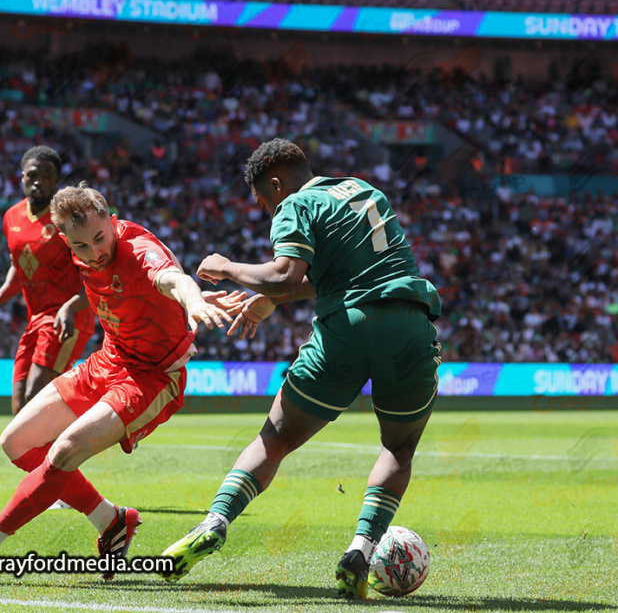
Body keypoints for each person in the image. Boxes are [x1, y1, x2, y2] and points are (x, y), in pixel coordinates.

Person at [160, 138, 442, 599]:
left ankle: (216, 521)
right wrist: (269, 301)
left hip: (345, 331)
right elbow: (333, 277)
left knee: (274, 440)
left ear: (276, 182)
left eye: (263, 201)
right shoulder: (364, 191)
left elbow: (285, 273)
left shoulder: (296, 202)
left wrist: (226, 266)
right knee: (398, 449)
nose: (268, 211)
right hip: (408, 325)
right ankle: (361, 548)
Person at [0, 183, 240, 579]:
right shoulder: (81, 255)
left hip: (150, 378)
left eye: (100, 237)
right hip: (106, 362)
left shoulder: (137, 247)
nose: (95, 251)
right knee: (15, 442)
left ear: (112, 222)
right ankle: (111, 520)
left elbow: (170, 277)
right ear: (65, 241)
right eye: (81, 246)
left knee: (64, 449)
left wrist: (194, 298)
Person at [0, 146, 96, 415]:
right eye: (32, 175)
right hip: (36, 318)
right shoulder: (12, 217)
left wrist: (71, 308)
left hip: (69, 318)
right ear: (21, 177)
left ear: (56, 181)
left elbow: (95, 273)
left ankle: (84, 431)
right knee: (19, 407)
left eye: (47, 175)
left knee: (35, 400)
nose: (38, 181)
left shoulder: (69, 220)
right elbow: (19, 267)